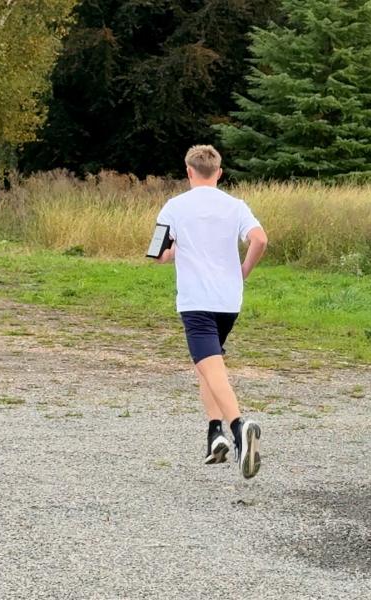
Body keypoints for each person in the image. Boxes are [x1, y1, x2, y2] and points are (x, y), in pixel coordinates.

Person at [154, 145, 268, 479]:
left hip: (196, 301)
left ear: (189, 171)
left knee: (211, 367)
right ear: (219, 172)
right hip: (228, 301)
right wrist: (244, 270)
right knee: (208, 365)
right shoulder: (236, 206)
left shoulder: (174, 207)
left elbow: (157, 253)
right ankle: (214, 433)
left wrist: (174, 251)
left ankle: (238, 428)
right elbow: (260, 240)